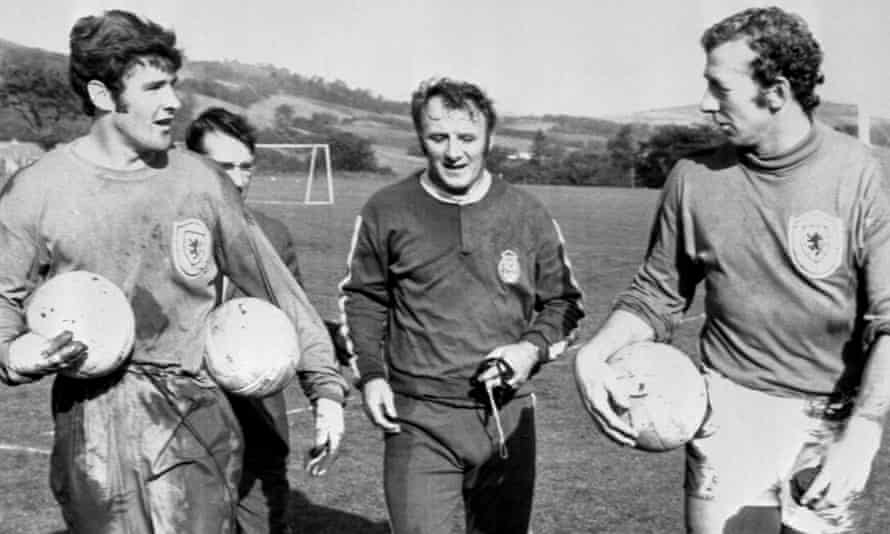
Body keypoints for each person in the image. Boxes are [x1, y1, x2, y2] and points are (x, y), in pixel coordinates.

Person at [0, 10, 346, 533]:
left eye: (174, 84)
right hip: (92, 419)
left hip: (195, 411)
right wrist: (12, 351)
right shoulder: (38, 188)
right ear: (101, 95)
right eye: (155, 87)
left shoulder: (200, 182)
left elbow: (276, 285)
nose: (174, 102)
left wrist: (324, 387)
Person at [574, 7, 890, 534]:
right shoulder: (694, 179)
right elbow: (656, 294)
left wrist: (865, 428)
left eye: (720, 89)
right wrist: (596, 352)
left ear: (776, 91)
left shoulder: (858, 174)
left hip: (831, 423)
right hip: (730, 413)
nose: (705, 104)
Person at [340, 77, 584, 533]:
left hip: (506, 417)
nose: (454, 152)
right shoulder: (387, 208)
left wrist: (528, 350)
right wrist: (371, 375)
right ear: (421, 140)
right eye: (439, 138)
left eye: (467, 138)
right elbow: (363, 299)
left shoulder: (526, 213)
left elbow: (566, 305)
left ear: (489, 138)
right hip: (418, 418)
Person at [186, 107, 349, 533]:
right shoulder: (164, 234)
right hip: (186, 421)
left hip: (260, 422)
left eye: (246, 167)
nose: (238, 179)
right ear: (192, 166)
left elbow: (294, 315)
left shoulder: (273, 235)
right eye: (224, 168)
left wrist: (327, 373)